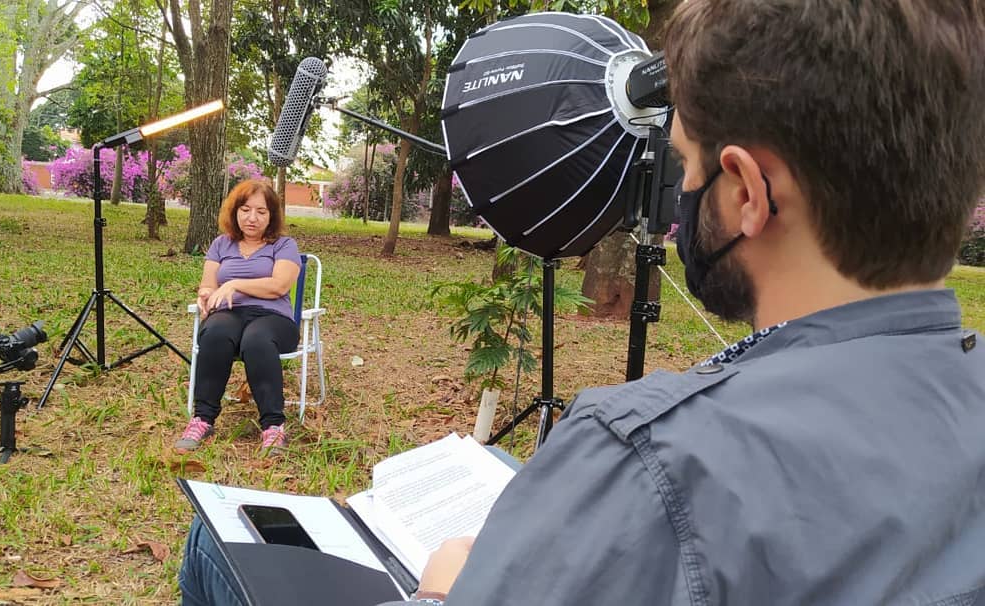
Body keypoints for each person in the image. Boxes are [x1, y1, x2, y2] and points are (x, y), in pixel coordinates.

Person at [179, 0, 985, 603]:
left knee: (211, 547)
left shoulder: (645, 458)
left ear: (744, 191)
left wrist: (443, 586)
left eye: (682, 167)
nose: (677, 201)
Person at [174, 179, 301, 455]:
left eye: (261, 211)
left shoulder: (284, 245)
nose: (252, 218)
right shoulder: (221, 244)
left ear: (272, 216)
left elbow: (279, 286)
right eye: (245, 209)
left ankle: (273, 427)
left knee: (256, 340)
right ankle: (202, 419)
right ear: (235, 211)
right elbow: (208, 284)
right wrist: (206, 295)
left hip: (273, 317)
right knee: (215, 334)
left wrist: (234, 285)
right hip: (230, 314)